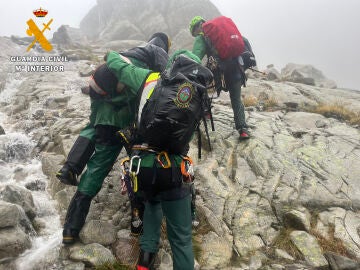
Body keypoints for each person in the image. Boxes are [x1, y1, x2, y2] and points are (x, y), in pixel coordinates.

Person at [61, 33, 171, 245]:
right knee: (137, 169)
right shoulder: (154, 57)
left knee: (95, 169)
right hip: (131, 126)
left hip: (105, 120)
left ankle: (70, 228)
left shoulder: (118, 61)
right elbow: (160, 91)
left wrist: (97, 124)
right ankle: (138, 223)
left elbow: (94, 112)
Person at [107, 50, 212, 270]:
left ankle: (145, 262)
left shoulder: (150, 78)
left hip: (142, 167)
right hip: (173, 169)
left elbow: (117, 65)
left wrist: (115, 55)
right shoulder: (199, 92)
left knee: (152, 203)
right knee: (181, 238)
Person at [56, 32, 170, 186]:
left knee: (93, 125)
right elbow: (162, 83)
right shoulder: (158, 52)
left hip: (99, 85)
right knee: (127, 131)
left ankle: (69, 168)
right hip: (120, 94)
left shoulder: (135, 50)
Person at [189, 16, 254, 139]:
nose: (195, 35)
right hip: (236, 68)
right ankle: (243, 129)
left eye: (194, 33)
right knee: (236, 99)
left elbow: (196, 57)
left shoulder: (202, 36)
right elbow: (242, 41)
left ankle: (205, 113)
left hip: (219, 71)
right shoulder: (222, 29)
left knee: (202, 87)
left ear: (196, 28)